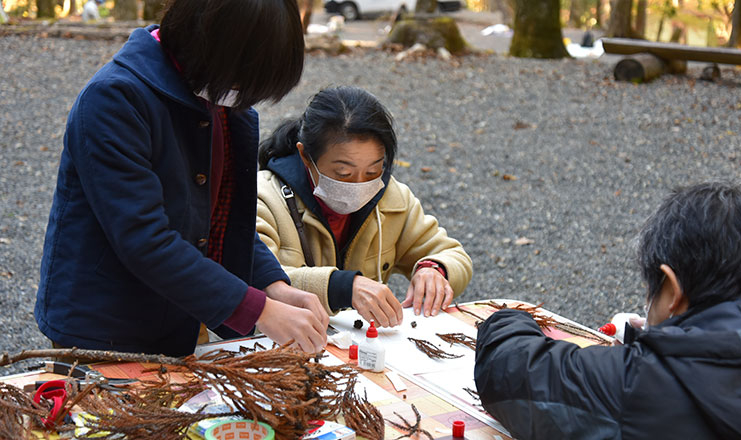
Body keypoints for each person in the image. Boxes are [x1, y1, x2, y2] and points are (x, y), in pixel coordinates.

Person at [35, 0, 330, 357]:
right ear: (208, 41)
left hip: (173, 316)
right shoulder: (115, 99)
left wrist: (272, 286)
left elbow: (225, 219)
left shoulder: (215, 99)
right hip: (102, 325)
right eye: (241, 78)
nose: (242, 93)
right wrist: (261, 311)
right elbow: (145, 239)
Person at [475, 182, 741, 439]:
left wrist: (508, 318)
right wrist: (660, 339)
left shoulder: (644, 383)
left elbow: (509, 372)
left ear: (673, 290)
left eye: (651, 289)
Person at [256, 86, 472, 327]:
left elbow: (454, 255)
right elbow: (256, 281)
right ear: (305, 156)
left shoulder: (391, 198)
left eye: (372, 171)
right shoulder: (263, 198)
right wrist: (343, 288)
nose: (360, 185)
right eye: (343, 173)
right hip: (277, 347)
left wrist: (434, 270)